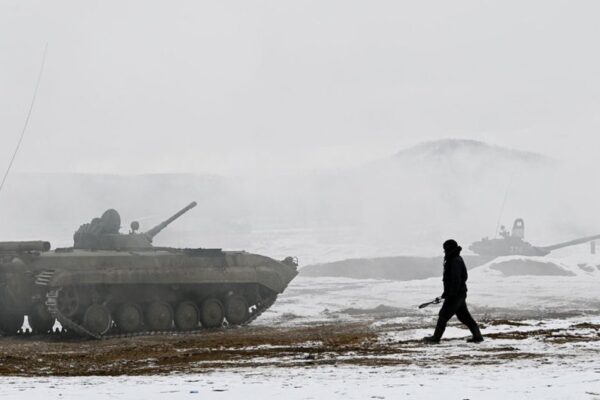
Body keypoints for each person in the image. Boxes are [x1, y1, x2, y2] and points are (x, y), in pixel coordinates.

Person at [423, 239, 483, 344]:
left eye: (445, 249)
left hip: (455, 295)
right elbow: (460, 278)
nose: (444, 252)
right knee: (465, 317)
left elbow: (456, 279)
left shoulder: (455, 260)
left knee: (443, 316)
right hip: (458, 294)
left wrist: (451, 294)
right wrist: (446, 293)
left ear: (448, 249)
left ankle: (436, 338)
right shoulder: (455, 259)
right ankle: (478, 337)